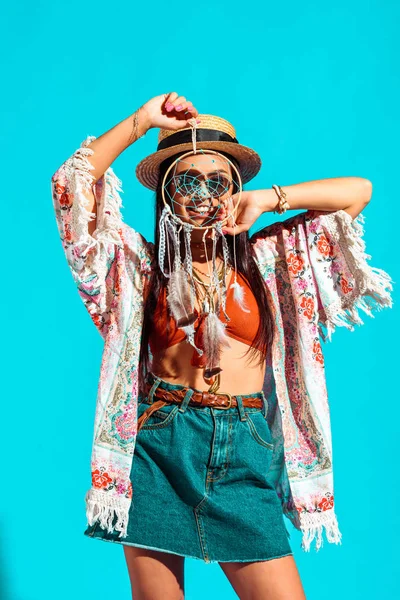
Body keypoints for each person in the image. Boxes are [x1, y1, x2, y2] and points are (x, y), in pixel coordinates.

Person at [51, 92, 393, 600]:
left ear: (234, 188)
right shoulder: (139, 267)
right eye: (188, 180)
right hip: (161, 444)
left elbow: (358, 191)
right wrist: (143, 122)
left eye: (218, 181)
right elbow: (69, 189)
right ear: (167, 193)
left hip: (245, 444)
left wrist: (270, 198)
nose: (204, 194)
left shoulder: (274, 259)